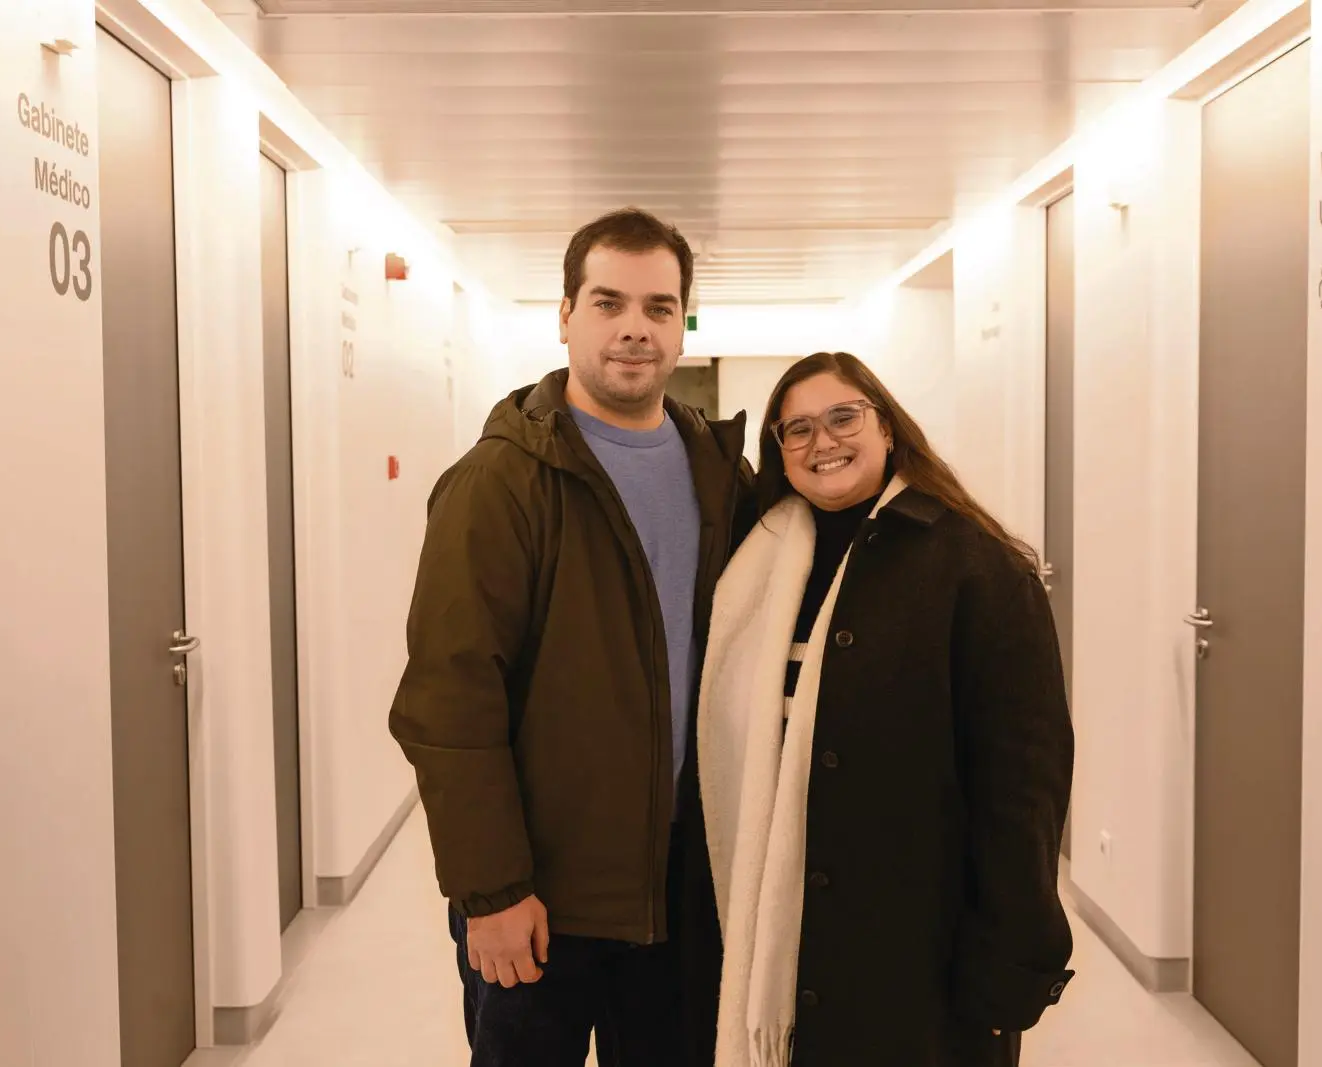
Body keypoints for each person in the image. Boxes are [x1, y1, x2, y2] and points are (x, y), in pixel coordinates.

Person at [389, 207, 753, 1067]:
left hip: (679, 888)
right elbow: (450, 702)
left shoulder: (718, 473)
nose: (635, 327)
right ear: (565, 315)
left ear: (684, 324)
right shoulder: (502, 480)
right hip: (543, 896)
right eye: (608, 302)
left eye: (660, 307)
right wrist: (492, 891)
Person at [698, 352, 1075, 1067]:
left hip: (919, 939)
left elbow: (1024, 785)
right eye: (797, 428)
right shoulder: (756, 565)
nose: (822, 441)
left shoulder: (976, 567)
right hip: (788, 926)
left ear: (888, 427)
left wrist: (1012, 955)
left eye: (843, 417)